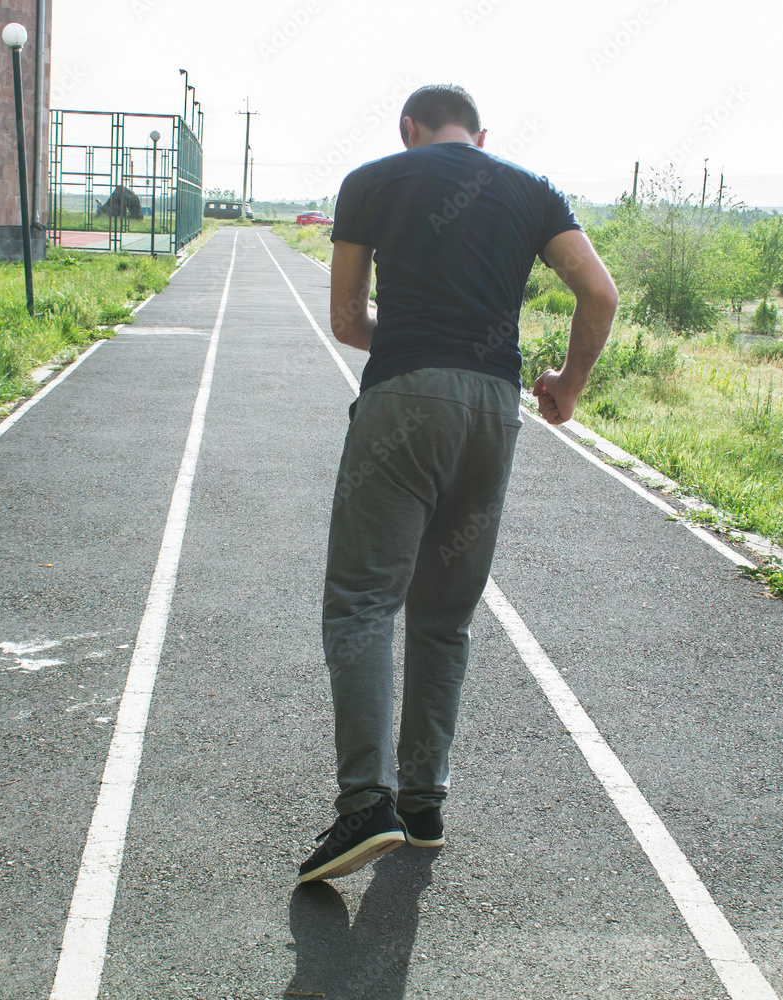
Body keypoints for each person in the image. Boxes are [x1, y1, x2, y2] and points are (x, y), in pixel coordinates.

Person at [298, 84, 618, 885]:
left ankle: (365, 803)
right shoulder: (532, 188)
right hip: (493, 409)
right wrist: (568, 384)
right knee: (444, 618)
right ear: (480, 134)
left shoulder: (372, 180)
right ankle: (421, 803)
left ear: (408, 127)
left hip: (403, 398)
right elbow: (599, 293)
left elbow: (346, 320)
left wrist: (412, 339)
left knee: (362, 601)